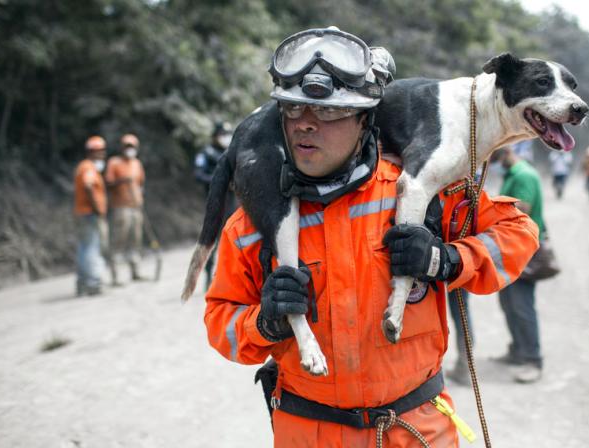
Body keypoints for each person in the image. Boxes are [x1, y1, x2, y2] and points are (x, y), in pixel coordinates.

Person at [204, 27, 539, 447]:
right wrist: (265, 323)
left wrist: (447, 260)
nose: (305, 126)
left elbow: (518, 233)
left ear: (366, 119)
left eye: (328, 114)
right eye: (293, 110)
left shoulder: (422, 193)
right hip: (309, 434)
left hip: (415, 431)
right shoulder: (256, 223)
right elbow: (221, 322)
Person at [490, 146, 546, 383]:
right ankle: (517, 350)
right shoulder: (512, 174)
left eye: (494, 159)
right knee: (508, 302)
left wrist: (489, 208)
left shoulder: (523, 175)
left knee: (522, 305)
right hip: (510, 248)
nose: (493, 165)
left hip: (524, 250)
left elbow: (522, 209)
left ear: (505, 154)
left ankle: (533, 359)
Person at [194, 122, 237, 287]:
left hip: (232, 205)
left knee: (232, 242)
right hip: (213, 205)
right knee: (210, 243)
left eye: (227, 134)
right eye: (222, 134)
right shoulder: (206, 153)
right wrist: (220, 181)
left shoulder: (232, 153)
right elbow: (198, 174)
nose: (225, 137)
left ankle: (230, 279)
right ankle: (207, 279)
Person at [105, 133, 147, 284]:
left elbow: (141, 183)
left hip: (136, 207)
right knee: (118, 240)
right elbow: (108, 183)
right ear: (122, 148)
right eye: (127, 146)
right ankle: (115, 276)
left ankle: (135, 271)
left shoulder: (137, 163)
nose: (130, 149)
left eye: (132, 147)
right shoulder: (114, 163)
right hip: (120, 208)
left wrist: (140, 197)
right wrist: (121, 181)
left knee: (136, 239)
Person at [73, 136, 108, 296]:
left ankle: (82, 283)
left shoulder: (83, 166)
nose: (102, 155)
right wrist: (97, 209)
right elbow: (88, 186)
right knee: (92, 248)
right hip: (90, 214)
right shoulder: (88, 168)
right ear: (91, 152)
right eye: (99, 152)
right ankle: (93, 284)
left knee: (84, 248)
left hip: (83, 213)